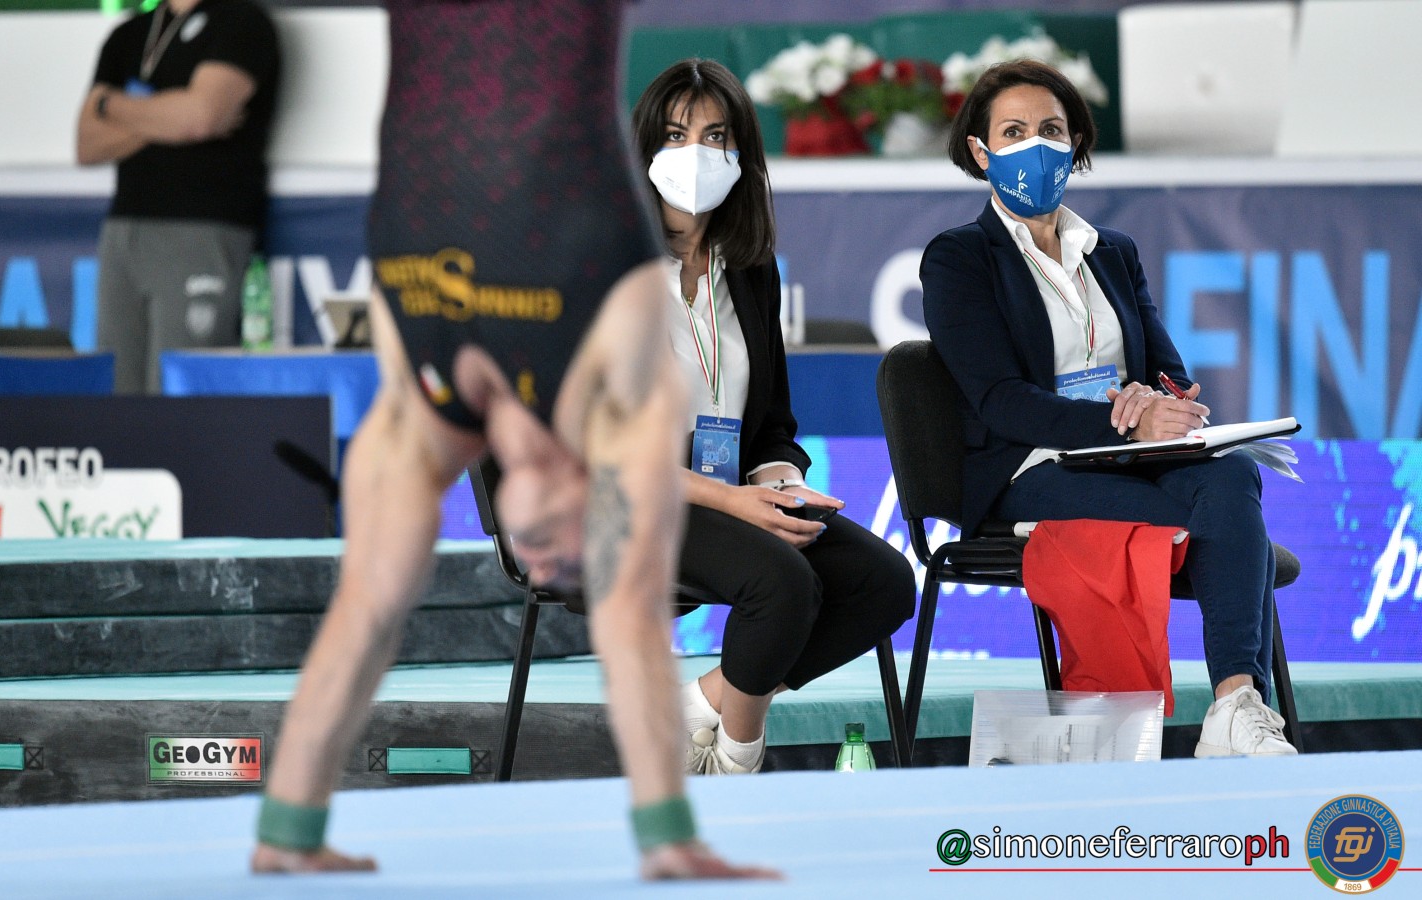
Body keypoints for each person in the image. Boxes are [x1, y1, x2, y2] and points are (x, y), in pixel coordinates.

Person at [249, 2, 776, 881]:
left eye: (543, 565)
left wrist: (289, 826)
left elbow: (364, 613)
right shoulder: (624, 390)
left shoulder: (418, 414)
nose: (542, 558)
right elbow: (631, 619)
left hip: (422, 152)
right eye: (571, 554)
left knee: (374, 587)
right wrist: (668, 833)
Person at [920, 59, 1295, 758]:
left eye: (1051, 130)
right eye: (1013, 132)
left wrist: (1164, 402)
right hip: (1030, 466)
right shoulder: (960, 258)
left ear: (1075, 144)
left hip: (1130, 454)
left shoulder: (1112, 252)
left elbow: (1168, 371)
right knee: (1207, 520)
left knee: (1233, 475)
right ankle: (1217, 715)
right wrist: (1123, 419)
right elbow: (1000, 402)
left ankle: (1236, 706)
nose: (1036, 145)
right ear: (981, 151)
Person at [631, 60, 916, 776]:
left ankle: (697, 705)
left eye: (715, 136)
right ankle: (738, 766)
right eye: (676, 135)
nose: (696, 154)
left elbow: (770, 426)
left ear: (742, 154)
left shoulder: (750, 268)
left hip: (729, 498)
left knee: (884, 582)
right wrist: (736, 503)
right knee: (782, 582)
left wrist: (780, 483)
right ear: (645, 150)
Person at [75, 0, 280, 394]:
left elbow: (200, 117)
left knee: (179, 390)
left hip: (202, 226)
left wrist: (111, 106)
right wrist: (168, 117)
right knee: (117, 391)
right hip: (124, 228)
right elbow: (86, 145)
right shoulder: (129, 33)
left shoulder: (241, 22)